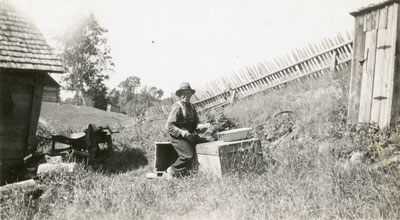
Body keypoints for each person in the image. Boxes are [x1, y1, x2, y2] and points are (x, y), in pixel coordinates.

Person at [164, 82, 206, 178]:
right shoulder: (177, 107)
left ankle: (192, 170)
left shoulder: (192, 107)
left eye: (188, 93)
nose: (186, 96)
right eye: (184, 93)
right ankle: (172, 170)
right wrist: (182, 132)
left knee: (207, 142)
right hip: (177, 137)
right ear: (180, 95)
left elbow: (195, 123)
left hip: (189, 135)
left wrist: (201, 126)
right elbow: (169, 126)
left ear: (191, 95)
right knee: (188, 155)